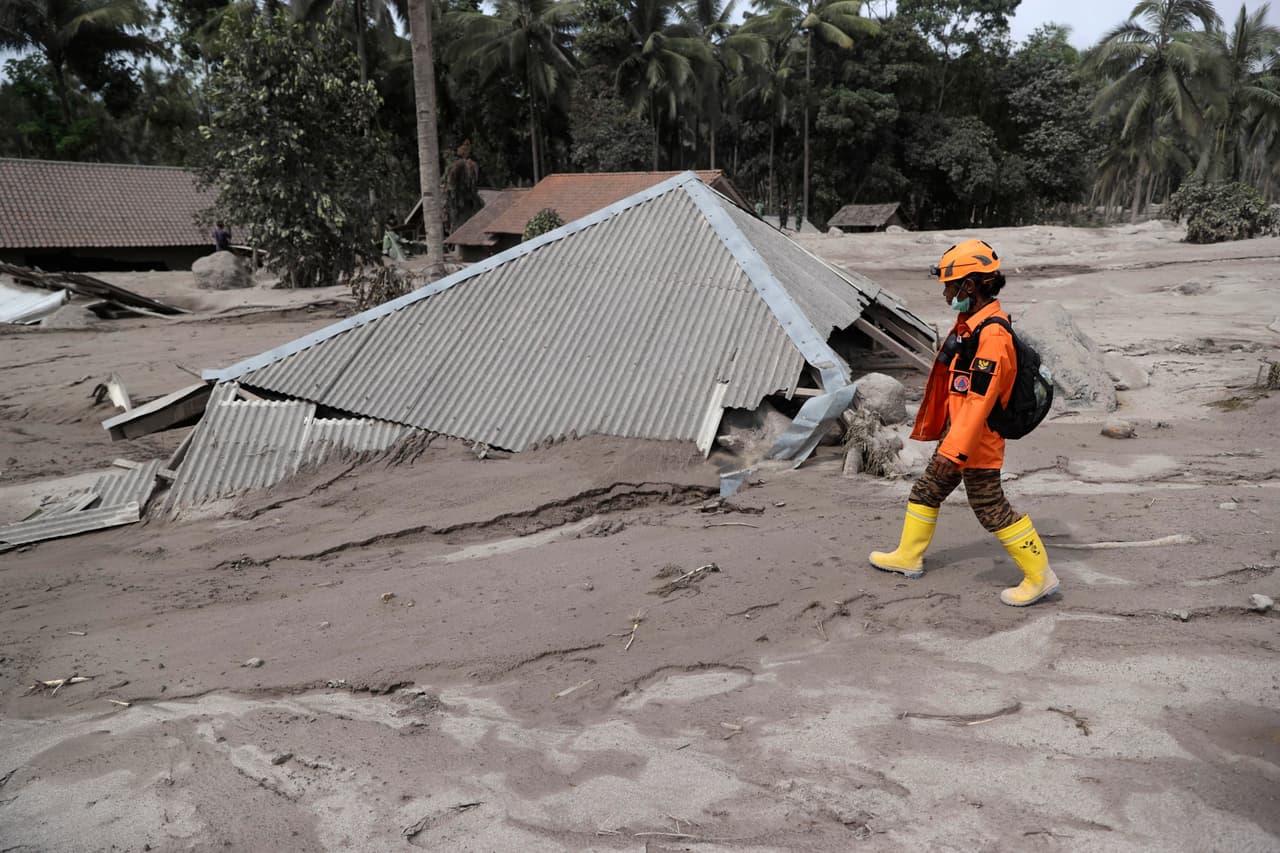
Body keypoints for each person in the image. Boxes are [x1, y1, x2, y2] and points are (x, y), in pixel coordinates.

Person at [867, 239, 1060, 607]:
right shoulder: (972, 326)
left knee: (991, 507)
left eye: (949, 285)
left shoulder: (992, 336)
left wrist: (953, 452)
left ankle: (1040, 576)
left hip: (975, 442)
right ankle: (908, 556)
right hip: (961, 437)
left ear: (969, 286)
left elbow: (978, 401)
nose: (944, 293)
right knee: (926, 491)